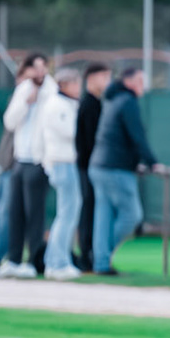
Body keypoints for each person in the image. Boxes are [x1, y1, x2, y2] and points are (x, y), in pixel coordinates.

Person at [88, 65, 159, 276]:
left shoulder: (113, 100)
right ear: (129, 81)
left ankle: (101, 262)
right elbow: (137, 136)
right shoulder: (127, 102)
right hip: (114, 168)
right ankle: (103, 255)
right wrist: (152, 162)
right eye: (140, 80)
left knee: (104, 215)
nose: (143, 86)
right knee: (132, 215)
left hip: (100, 166)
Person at [0, 52, 51, 278]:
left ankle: (34, 260)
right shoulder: (23, 90)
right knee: (14, 213)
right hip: (20, 159)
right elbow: (9, 121)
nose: (37, 72)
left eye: (41, 68)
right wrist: (26, 104)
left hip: (38, 161)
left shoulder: (51, 92)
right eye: (33, 68)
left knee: (34, 215)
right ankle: (14, 259)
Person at [39, 66, 84, 280]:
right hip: (62, 162)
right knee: (67, 213)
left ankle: (54, 260)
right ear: (64, 85)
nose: (78, 88)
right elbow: (71, 132)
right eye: (75, 83)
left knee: (67, 212)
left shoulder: (67, 104)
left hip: (66, 162)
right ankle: (58, 263)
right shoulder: (57, 105)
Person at [73, 61, 110, 272]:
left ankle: (89, 255)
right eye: (104, 77)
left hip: (88, 167)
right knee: (88, 213)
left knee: (91, 212)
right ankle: (86, 257)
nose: (107, 82)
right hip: (87, 168)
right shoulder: (89, 104)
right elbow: (89, 141)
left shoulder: (95, 103)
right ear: (92, 78)